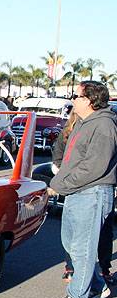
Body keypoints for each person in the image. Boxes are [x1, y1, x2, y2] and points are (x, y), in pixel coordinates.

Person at [46, 81, 117, 298]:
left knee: (82, 248)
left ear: (88, 101)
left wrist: (59, 186)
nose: (72, 99)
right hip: (77, 192)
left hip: (93, 193)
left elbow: (93, 167)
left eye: (76, 96)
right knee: (71, 244)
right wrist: (60, 183)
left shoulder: (104, 125)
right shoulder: (84, 123)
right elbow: (70, 160)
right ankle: (97, 285)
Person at [52, 111, 115, 285]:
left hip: (94, 187)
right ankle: (73, 269)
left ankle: (101, 272)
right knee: (73, 236)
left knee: (101, 232)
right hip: (72, 186)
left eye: (78, 97)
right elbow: (59, 154)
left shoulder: (103, 126)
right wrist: (61, 175)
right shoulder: (70, 129)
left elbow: (98, 163)